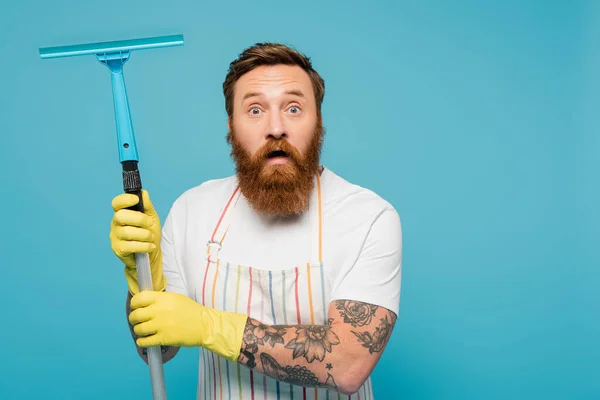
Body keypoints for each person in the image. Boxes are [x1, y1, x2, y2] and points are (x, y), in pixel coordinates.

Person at [109, 42, 402, 399]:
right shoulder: (192, 210)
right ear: (231, 125)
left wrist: (207, 325)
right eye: (255, 110)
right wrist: (143, 276)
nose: (275, 127)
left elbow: (347, 364)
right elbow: (157, 351)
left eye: (294, 108)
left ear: (318, 122)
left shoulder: (367, 217)